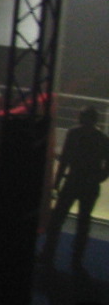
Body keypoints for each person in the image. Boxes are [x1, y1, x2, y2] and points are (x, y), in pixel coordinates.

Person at [41, 106, 109, 272]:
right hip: (90, 184)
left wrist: (56, 183)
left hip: (73, 181)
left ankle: (48, 254)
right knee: (83, 223)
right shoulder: (102, 138)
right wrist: (99, 178)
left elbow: (65, 159)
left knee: (57, 219)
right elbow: (107, 165)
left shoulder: (74, 133)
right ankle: (76, 261)